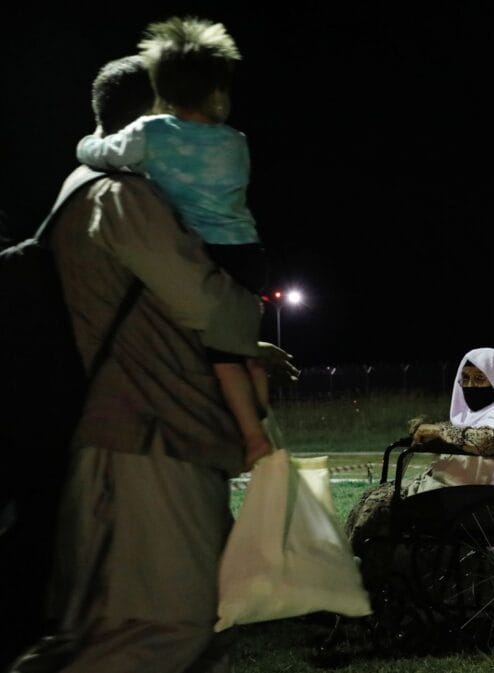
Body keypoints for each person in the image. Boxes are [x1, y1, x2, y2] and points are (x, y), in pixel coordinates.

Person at [8, 55, 269, 673]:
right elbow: (209, 304)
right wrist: (249, 309)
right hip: (149, 446)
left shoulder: (96, 191)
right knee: (162, 631)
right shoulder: (121, 196)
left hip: (142, 443)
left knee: (134, 632)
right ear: (156, 114)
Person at [75, 16, 272, 470]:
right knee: (243, 349)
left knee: (219, 357)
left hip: (208, 253)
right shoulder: (235, 141)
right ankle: (264, 417)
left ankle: (252, 436)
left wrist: (89, 142)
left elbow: (103, 154)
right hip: (250, 251)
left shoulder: (154, 132)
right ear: (217, 88)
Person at [344, 347, 494, 590]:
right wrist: (430, 432)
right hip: (456, 492)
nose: (470, 386)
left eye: (479, 379)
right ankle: (359, 576)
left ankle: (357, 584)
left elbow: (486, 440)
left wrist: (439, 431)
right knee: (370, 499)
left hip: (478, 500)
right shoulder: (482, 413)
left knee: (380, 506)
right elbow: (461, 436)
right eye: (465, 379)